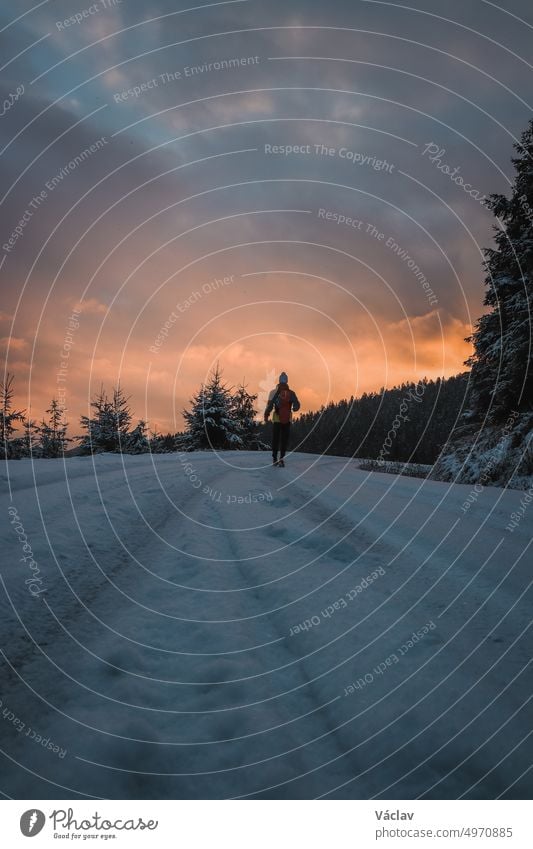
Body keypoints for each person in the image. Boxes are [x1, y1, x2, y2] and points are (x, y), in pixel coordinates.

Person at [264, 372, 300, 466]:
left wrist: (266, 414)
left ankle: (274, 458)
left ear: (279, 380)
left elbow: (269, 405)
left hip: (276, 419)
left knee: (275, 439)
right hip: (287, 419)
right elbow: (297, 405)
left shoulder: (273, 392)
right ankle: (282, 458)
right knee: (284, 440)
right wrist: (293, 408)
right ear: (287, 381)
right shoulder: (291, 393)